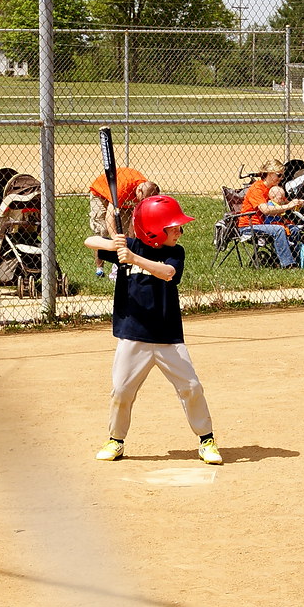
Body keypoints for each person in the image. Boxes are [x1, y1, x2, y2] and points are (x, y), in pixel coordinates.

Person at [85, 194, 223, 465]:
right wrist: (115, 244)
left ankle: (206, 440)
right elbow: (90, 241)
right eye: (173, 228)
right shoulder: (130, 246)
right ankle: (116, 440)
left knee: (191, 387)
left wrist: (134, 258)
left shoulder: (174, 252)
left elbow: (167, 273)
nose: (179, 231)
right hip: (133, 334)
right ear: (153, 230)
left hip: (167, 336)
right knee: (122, 390)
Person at [87, 167, 159, 278]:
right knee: (103, 230)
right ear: (139, 191)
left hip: (124, 201)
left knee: (125, 236)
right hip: (101, 195)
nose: (142, 202)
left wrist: (130, 236)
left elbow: (133, 219)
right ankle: (99, 269)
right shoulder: (122, 188)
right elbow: (109, 216)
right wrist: (115, 239)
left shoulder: (146, 189)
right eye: (142, 199)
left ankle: (118, 267)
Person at [238, 158, 304, 268]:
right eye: (279, 175)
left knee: (294, 229)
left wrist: (296, 203)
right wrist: (288, 206)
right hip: (250, 226)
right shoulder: (257, 188)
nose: (281, 178)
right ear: (269, 173)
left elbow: (284, 202)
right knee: (279, 229)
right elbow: (266, 210)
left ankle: (296, 260)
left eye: (282, 176)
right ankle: (288, 264)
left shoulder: (274, 189)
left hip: (266, 224)